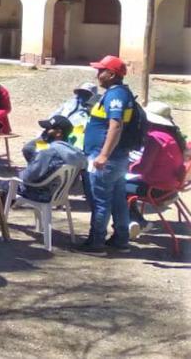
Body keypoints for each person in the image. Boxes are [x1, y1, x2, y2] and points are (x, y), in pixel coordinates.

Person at [77, 55, 136, 253]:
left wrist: (103, 155)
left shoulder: (116, 95)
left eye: (101, 71)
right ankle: (121, 239)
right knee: (118, 200)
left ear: (111, 74)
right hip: (117, 158)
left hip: (107, 159)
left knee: (100, 201)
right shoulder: (117, 92)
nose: (97, 75)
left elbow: (115, 126)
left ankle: (96, 242)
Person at [126, 101, 187, 240]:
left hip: (155, 189)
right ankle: (134, 220)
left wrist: (128, 167)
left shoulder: (155, 138)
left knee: (117, 187)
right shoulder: (172, 137)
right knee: (126, 186)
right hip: (169, 186)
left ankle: (136, 222)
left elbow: (143, 168)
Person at [0, 116, 86, 204]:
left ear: (58, 133)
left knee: (0, 185)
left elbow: (28, 177)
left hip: (42, 194)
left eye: (48, 129)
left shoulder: (48, 153)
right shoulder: (75, 153)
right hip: (60, 193)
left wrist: (43, 139)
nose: (45, 131)